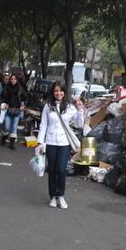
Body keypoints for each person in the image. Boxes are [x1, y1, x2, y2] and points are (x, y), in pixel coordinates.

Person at [36, 81, 84, 210]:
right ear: (53, 92)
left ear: (64, 92)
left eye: (60, 90)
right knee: (52, 170)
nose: (58, 93)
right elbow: (43, 125)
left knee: (61, 170)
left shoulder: (70, 107)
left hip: (64, 143)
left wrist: (80, 110)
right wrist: (40, 142)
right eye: (56, 91)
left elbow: (79, 124)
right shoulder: (48, 106)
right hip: (50, 142)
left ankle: (60, 195)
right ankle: (52, 196)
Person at [1, 74, 28, 149]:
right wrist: (5, 103)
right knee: (6, 126)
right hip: (8, 111)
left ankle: (12, 144)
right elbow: (1, 96)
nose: (13, 80)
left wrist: (23, 105)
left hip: (17, 111)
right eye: (12, 79)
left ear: (17, 80)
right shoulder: (6, 87)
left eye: (14, 79)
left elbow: (26, 97)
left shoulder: (20, 89)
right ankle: (4, 138)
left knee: (14, 127)